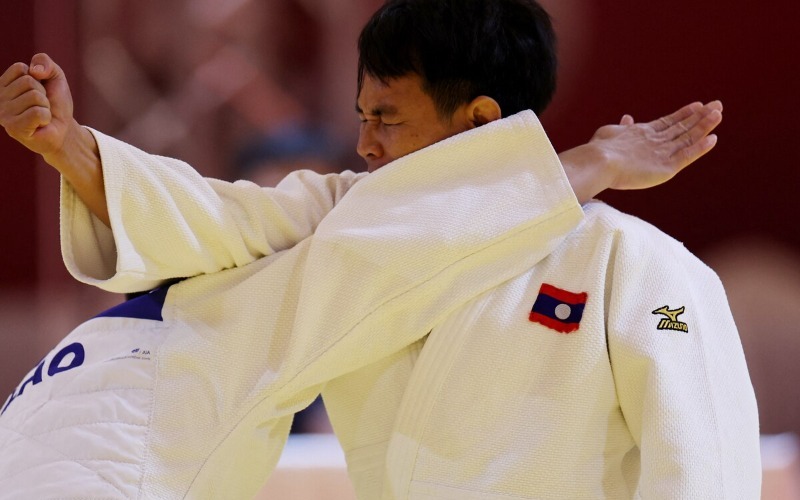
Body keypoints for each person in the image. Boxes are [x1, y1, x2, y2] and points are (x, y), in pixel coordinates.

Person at [0, 1, 757, 499]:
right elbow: (213, 216)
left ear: (480, 119)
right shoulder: (342, 220)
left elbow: (703, 467)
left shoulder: (637, 265)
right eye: (361, 116)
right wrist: (68, 148)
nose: (362, 144)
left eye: (387, 119)